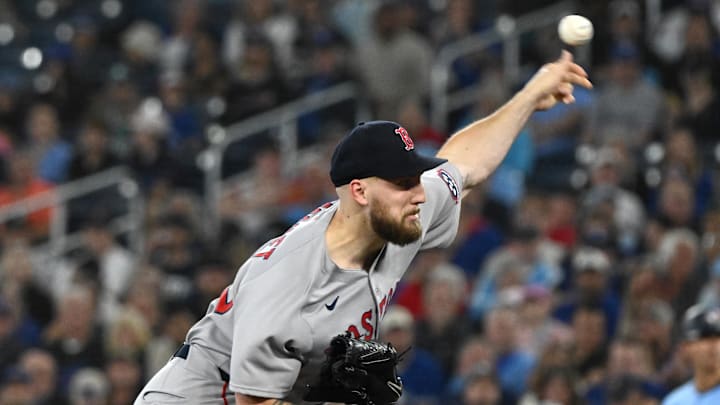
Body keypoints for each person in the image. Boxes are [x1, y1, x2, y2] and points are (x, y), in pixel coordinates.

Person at [134, 50, 591, 404]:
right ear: (359, 191)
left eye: (417, 177)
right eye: (403, 182)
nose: (419, 193)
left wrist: (530, 97)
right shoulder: (290, 284)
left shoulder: (395, 212)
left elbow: (465, 166)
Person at [662, 304, 720, 404]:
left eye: (717, 338)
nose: (713, 346)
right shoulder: (675, 401)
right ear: (686, 347)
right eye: (705, 338)